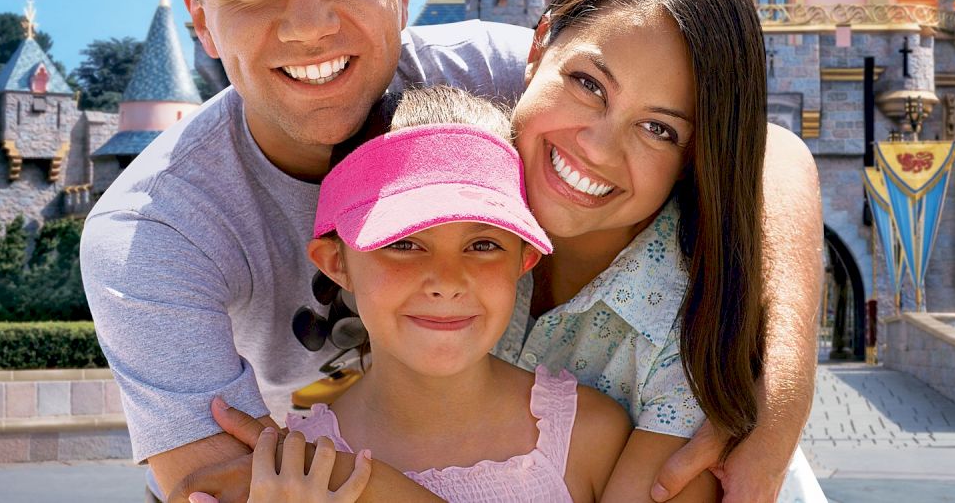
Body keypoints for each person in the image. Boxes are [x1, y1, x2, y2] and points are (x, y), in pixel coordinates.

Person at [82, 0, 821, 502]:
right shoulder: (152, 235)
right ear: (201, 21)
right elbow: (222, 484)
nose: (308, 25)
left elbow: (765, 152)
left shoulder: (502, 85)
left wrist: (778, 396)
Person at [218, 0, 827, 502]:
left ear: (698, 154)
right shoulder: (464, 155)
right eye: (589, 85)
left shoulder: (695, 319)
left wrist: (356, 479)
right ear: (537, 49)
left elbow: (778, 150)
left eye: (658, 129)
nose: (599, 148)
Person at [198, 86, 631, 503]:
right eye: (404, 244)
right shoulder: (294, 478)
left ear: (525, 260)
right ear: (336, 262)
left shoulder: (590, 436)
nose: (446, 281)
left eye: (483, 245)